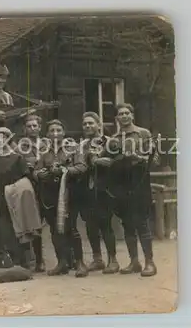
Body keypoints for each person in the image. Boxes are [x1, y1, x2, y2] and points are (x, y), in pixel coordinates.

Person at [0, 127, 41, 271]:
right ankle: (2, 261)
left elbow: (26, 177)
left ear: (9, 139)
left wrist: (15, 190)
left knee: (18, 228)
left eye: (3, 137)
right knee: (1, 229)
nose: (0, 140)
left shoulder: (17, 158)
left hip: (15, 199)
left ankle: (22, 262)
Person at [107, 103, 158, 277]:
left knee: (141, 221)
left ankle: (150, 262)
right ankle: (134, 261)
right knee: (127, 222)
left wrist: (139, 158)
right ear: (117, 118)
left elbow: (154, 159)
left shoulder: (143, 134)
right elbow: (110, 160)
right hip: (121, 181)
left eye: (127, 113)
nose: (124, 116)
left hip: (139, 180)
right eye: (120, 114)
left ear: (132, 115)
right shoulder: (113, 138)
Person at [33, 120, 89, 277]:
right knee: (55, 230)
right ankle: (62, 262)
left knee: (71, 228)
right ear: (48, 134)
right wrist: (41, 174)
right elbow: (36, 171)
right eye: (52, 130)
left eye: (58, 130)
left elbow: (82, 167)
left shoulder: (73, 148)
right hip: (50, 195)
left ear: (64, 132)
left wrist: (65, 170)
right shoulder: (44, 151)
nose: (55, 133)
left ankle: (80, 263)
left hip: (68, 193)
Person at [78, 112, 119, 274]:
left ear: (98, 125)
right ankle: (97, 259)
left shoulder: (109, 142)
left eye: (91, 123)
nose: (88, 126)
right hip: (86, 188)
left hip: (104, 188)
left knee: (106, 224)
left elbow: (117, 162)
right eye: (85, 124)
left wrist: (106, 162)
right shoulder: (81, 145)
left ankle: (113, 260)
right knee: (90, 224)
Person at [16, 114, 47, 272]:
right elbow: (20, 165)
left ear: (40, 127)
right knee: (33, 224)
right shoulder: (20, 146)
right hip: (31, 186)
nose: (32, 129)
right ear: (25, 129)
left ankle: (67, 260)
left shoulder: (48, 144)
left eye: (35, 126)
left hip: (48, 186)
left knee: (55, 222)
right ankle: (37, 260)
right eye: (29, 126)